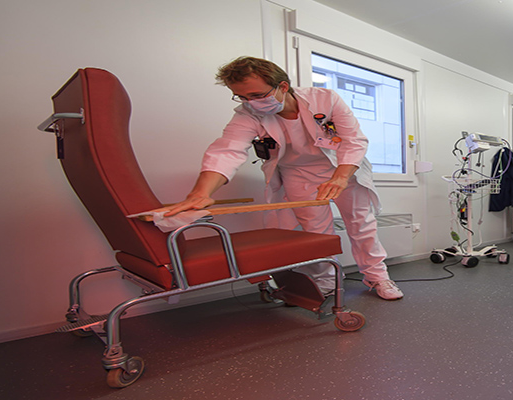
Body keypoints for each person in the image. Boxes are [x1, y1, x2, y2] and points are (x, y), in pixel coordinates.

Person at [164, 56, 403, 301]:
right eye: (242, 97)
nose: (251, 103)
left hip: (343, 168)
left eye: (257, 95)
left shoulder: (325, 99)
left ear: (283, 86)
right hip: (298, 174)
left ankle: (378, 277)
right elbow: (227, 150)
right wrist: (201, 193)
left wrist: (340, 177)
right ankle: (328, 282)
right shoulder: (248, 115)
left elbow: (354, 140)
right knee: (317, 233)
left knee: (361, 225)